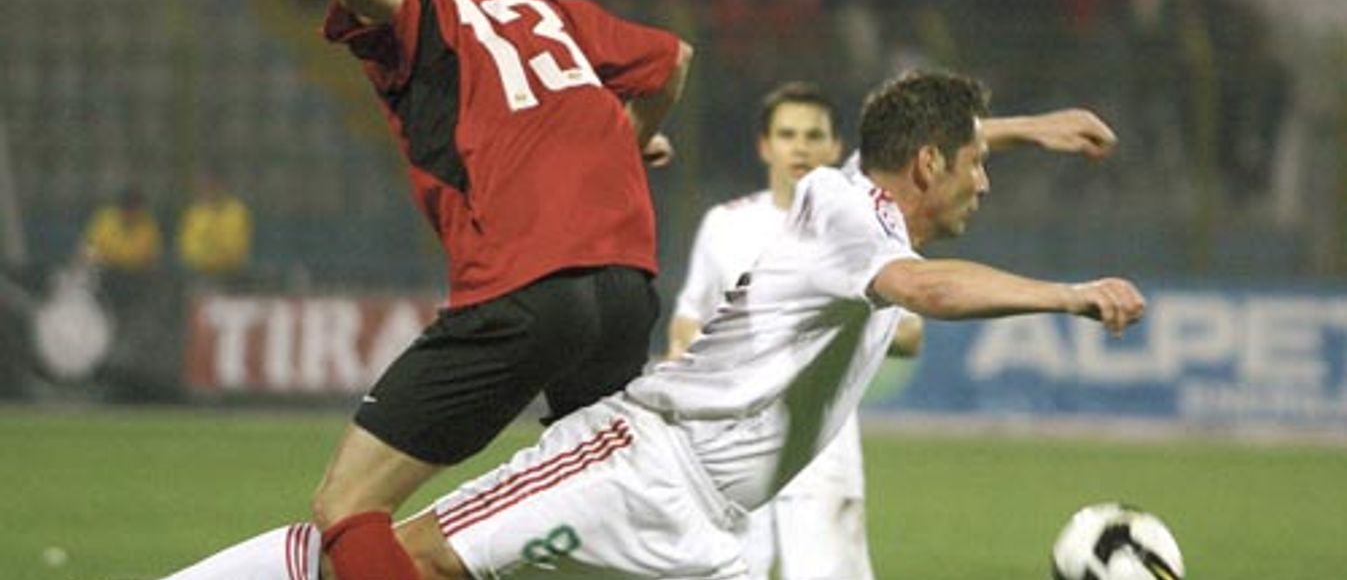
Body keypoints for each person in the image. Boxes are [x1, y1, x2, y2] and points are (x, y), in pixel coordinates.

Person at [166, 69, 1142, 579]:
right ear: (929, 163)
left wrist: (1025, 127)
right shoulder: (856, 219)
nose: (986, 177)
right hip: (639, 462)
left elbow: (907, 161)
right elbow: (927, 292)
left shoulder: (853, 195)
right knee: (400, 555)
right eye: (976, 161)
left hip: (708, 527)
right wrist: (1068, 293)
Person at [166, 0, 694, 580]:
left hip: (524, 292)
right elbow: (673, 59)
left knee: (346, 505)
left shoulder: (431, 5)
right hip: (626, 289)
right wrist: (631, 142)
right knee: (591, 500)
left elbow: (397, 1)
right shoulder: (533, 0)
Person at [667, 81, 1117, 579]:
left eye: (814, 135)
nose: (800, 147)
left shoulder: (846, 200)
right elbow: (689, 317)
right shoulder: (739, 222)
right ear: (764, 145)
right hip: (727, 445)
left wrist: (1032, 130)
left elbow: (921, 144)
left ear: (837, 148)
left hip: (817, 450)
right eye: (788, 134)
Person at [176, 170, 252, 286]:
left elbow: (235, 249)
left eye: (211, 185)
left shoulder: (236, 211)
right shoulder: (194, 213)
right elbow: (187, 248)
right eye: (203, 185)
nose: (207, 189)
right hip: (198, 275)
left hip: (230, 277)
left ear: (222, 185)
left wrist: (212, 255)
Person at [80, 186, 162, 273]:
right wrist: (97, 258)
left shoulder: (148, 226)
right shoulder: (105, 219)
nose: (132, 214)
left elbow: (153, 259)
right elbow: (87, 247)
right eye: (129, 208)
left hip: (136, 275)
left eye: (136, 209)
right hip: (105, 272)